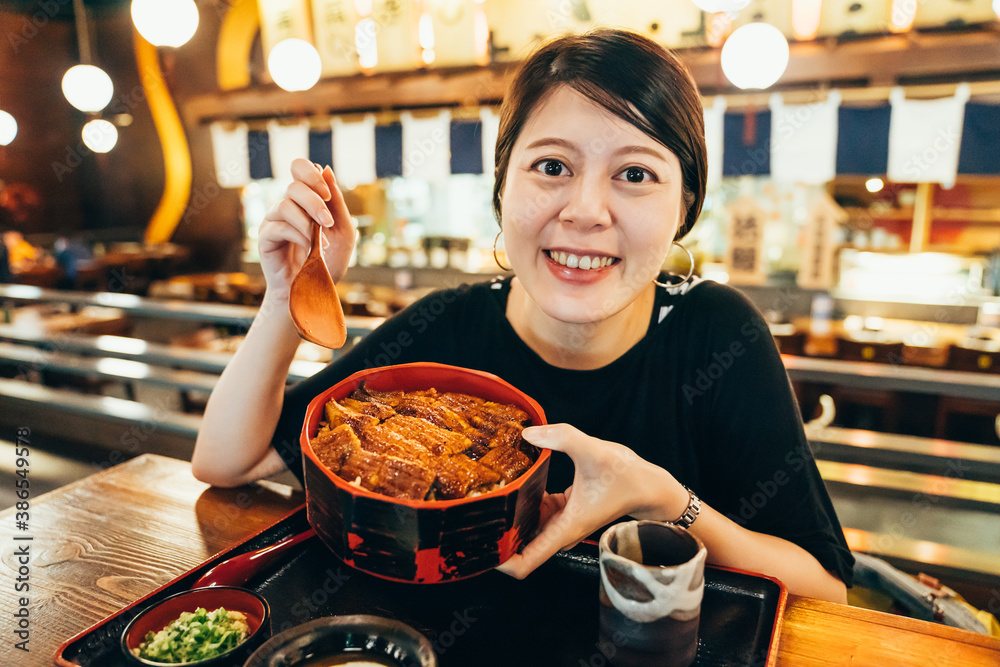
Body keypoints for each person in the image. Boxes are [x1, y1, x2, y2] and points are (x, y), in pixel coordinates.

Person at [192, 28, 853, 603]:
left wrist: (663, 500)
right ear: (503, 187)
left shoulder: (718, 334)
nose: (586, 210)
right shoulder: (445, 326)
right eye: (552, 166)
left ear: (684, 206)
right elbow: (225, 461)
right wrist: (289, 294)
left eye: (636, 174)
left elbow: (826, 586)